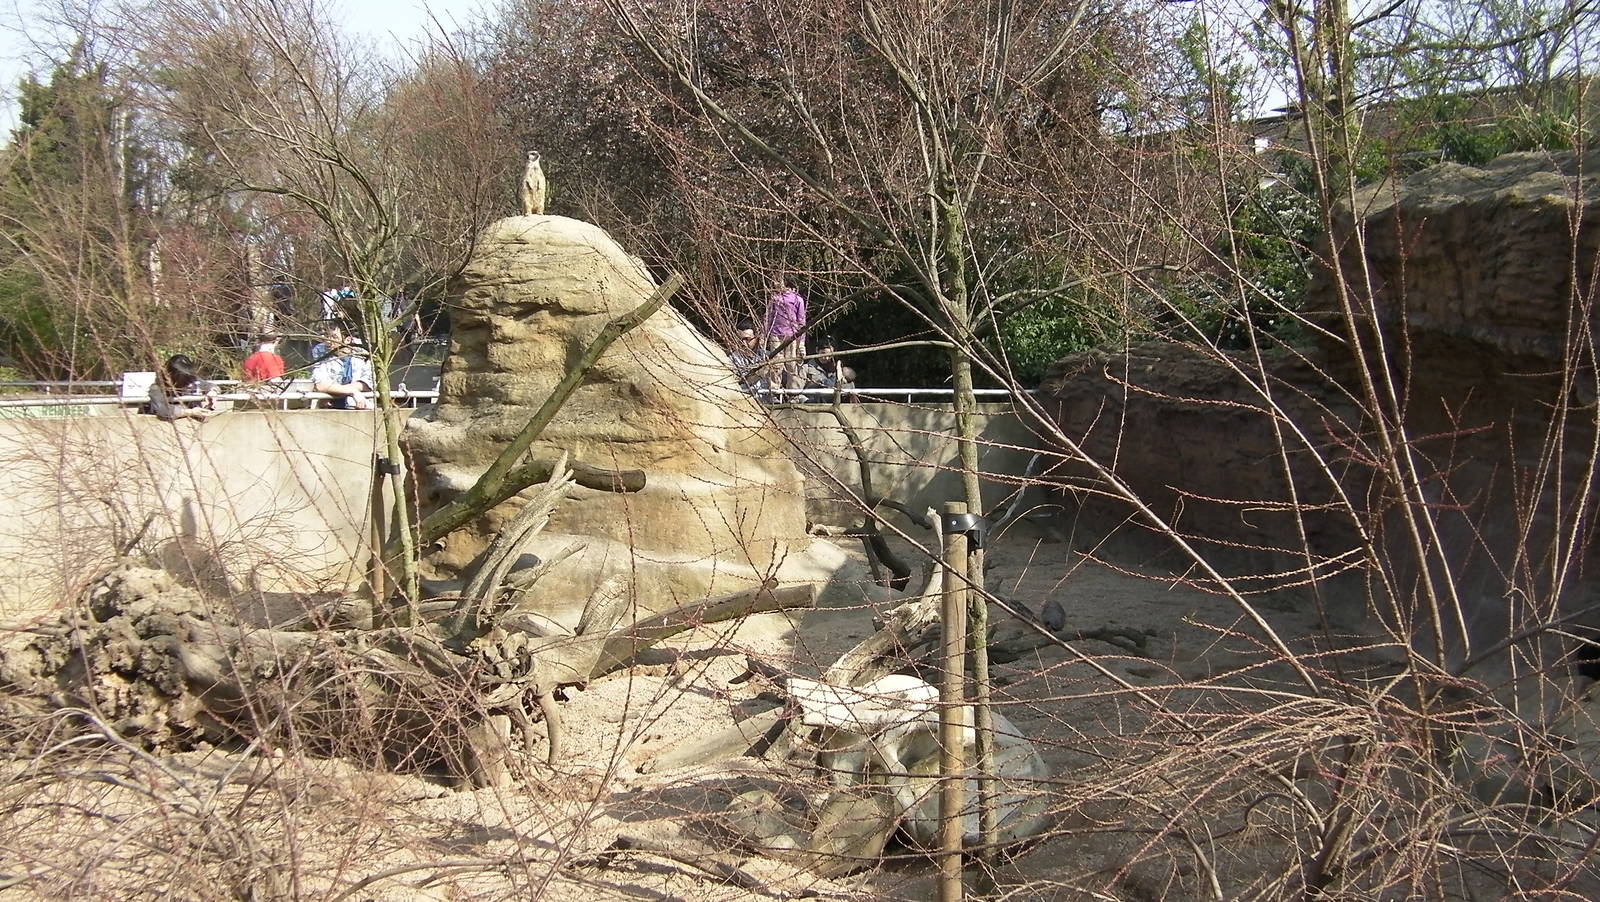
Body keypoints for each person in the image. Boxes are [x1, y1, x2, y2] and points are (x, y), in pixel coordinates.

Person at [146, 354, 217, 422]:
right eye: (185, 381)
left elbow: (208, 385)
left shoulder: (191, 379)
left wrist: (212, 391)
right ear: (173, 378)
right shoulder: (157, 389)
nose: (190, 385)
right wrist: (191, 412)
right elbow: (163, 410)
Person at [311, 338, 376, 409]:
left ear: (347, 340)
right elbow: (320, 384)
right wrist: (353, 391)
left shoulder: (364, 349)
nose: (328, 341)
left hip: (360, 406)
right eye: (327, 335)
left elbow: (368, 383)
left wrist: (336, 391)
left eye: (334, 336)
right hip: (329, 407)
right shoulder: (320, 350)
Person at [765, 283, 807, 390]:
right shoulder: (774, 299)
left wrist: (801, 341)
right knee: (775, 363)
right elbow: (768, 318)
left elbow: (801, 321)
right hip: (775, 334)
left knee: (791, 364)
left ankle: (793, 392)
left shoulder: (798, 299)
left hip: (791, 336)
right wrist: (765, 334)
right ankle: (774, 390)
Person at [799, 334, 858, 401]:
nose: (826, 358)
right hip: (813, 404)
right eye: (823, 353)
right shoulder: (806, 368)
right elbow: (797, 391)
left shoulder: (837, 369)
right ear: (817, 350)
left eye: (830, 355)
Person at [729, 319, 773, 402]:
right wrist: (760, 373)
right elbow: (740, 383)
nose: (744, 344)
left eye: (748, 339)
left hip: (769, 404)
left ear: (756, 337)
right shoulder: (733, 360)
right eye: (740, 340)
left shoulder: (767, 356)